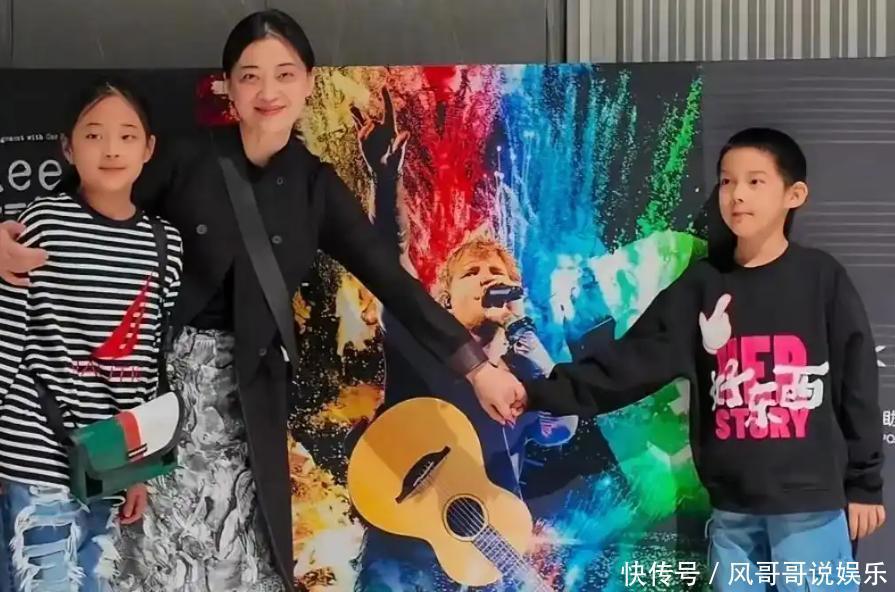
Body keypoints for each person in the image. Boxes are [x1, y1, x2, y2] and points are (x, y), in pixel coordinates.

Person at [0, 10, 523, 592]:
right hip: (150, 390)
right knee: (132, 558)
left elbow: (393, 283)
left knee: (240, 559)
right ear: (228, 85)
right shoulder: (184, 158)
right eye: (250, 75)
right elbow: (87, 210)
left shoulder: (316, 186)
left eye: (284, 74)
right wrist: (6, 238)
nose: (268, 91)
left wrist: (477, 369)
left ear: (308, 81)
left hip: (250, 402)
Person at [515, 128, 886, 592]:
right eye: (727, 181)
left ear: (794, 195)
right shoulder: (702, 284)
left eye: (755, 182)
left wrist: (864, 484)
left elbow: (857, 386)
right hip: (732, 511)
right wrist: (536, 393)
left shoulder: (821, 279)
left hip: (809, 509)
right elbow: (629, 365)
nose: (737, 194)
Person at [347, 92, 626, 590]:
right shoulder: (420, 336)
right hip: (404, 547)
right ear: (445, 295)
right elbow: (389, 263)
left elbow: (559, 428)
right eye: (472, 273)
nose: (487, 279)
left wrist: (522, 332)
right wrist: (386, 182)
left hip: (485, 552)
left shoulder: (523, 367)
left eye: (497, 273)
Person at [0, 79, 183, 592]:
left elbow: (149, 359)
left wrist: (140, 467)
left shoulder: (164, 242)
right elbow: (9, 331)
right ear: (68, 147)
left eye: (127, 136)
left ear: (148, 148)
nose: (111, 149)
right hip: (36, 447)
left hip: (109, 459)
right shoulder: (43, 223)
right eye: (94, 135)